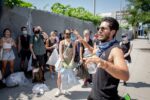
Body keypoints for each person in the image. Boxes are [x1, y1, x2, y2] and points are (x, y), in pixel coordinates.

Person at [74, 17, 129, 100]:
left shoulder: (116, 50)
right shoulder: (102, 47)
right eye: (99, 28)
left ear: (112, 32)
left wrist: (104, 64)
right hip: (93, 94)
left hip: (105, 97)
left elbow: (125, 76)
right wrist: (82, 40)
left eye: (103, 29)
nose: (99, 30)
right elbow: (92, 50)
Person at [55, 29, 77, 97]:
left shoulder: (73, 43)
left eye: (69, 34)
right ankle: (59, 90)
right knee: (59, 77)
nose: (68, 35)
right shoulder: (61, 42)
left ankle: (65, 90)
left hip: (69, 62)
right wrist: (62, 60)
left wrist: (72, 61)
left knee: (67, 77)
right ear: (64, 34)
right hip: (62, 62)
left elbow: (74, 53)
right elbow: (60, 52)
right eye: (66, 33)